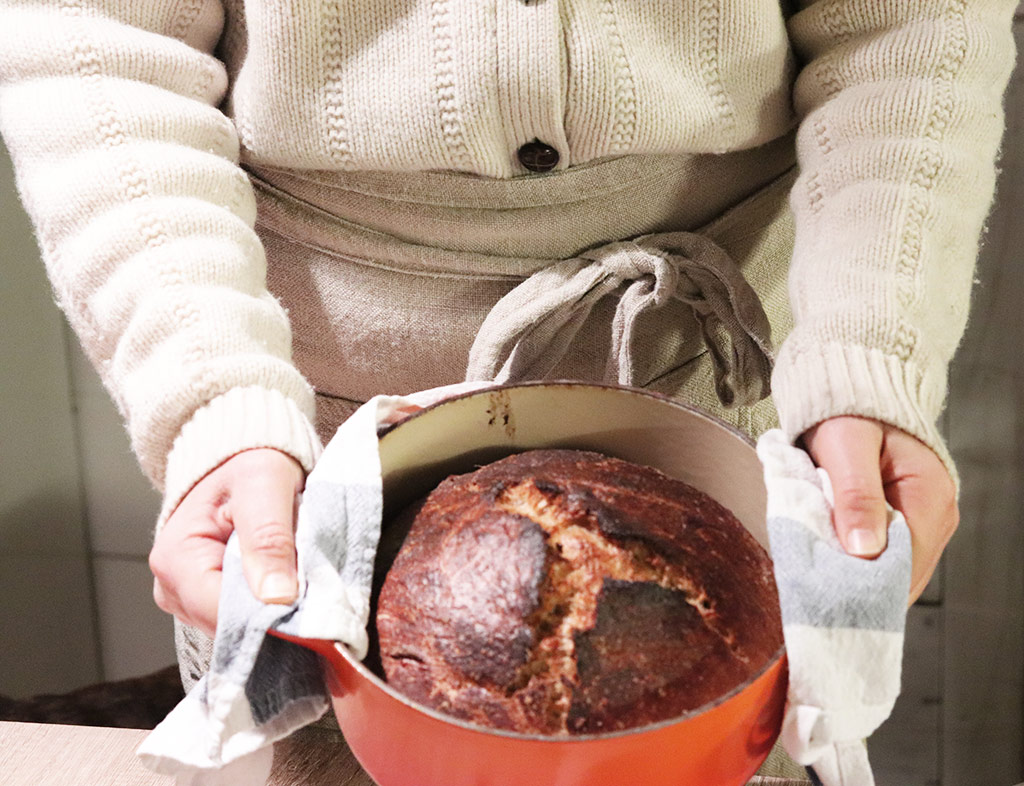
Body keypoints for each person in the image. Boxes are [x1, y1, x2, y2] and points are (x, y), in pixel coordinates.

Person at [0, 1, 1017, 780]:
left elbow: (910, 27)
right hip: (307, 453)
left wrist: (865, 356)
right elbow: (94, 43)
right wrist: (216, 402)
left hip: (724, 416)